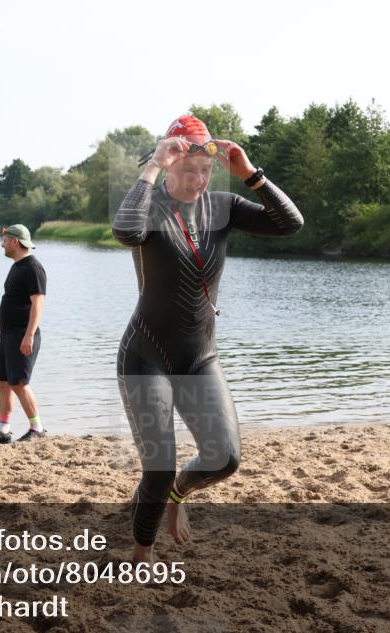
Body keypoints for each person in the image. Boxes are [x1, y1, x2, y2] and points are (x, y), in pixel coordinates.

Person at [113, 114, 304, 562]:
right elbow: (125, 232)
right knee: (157, 467)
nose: (197, 180)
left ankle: (179, 495)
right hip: (147, 356)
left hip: (200, 356)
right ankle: (142, 552)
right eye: (187, 171)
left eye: (205, 171)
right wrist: (153, 166)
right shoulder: (152, 207)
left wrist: (251, 173)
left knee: (224, 458)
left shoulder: (223, 207)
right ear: (170, 167)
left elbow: (289, 224)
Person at [0, 224, 49, 444]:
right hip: (8, 333)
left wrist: (29, 334)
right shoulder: (17, 266)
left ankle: (37, 429)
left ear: (15, 242)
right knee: (4, 381)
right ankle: (4, 431)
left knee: (19, 382)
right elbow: (14, 300)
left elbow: (38, 304)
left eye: (5, 240)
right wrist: (2, 326)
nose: (2, 244)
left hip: (22, 334)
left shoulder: (33, 268)